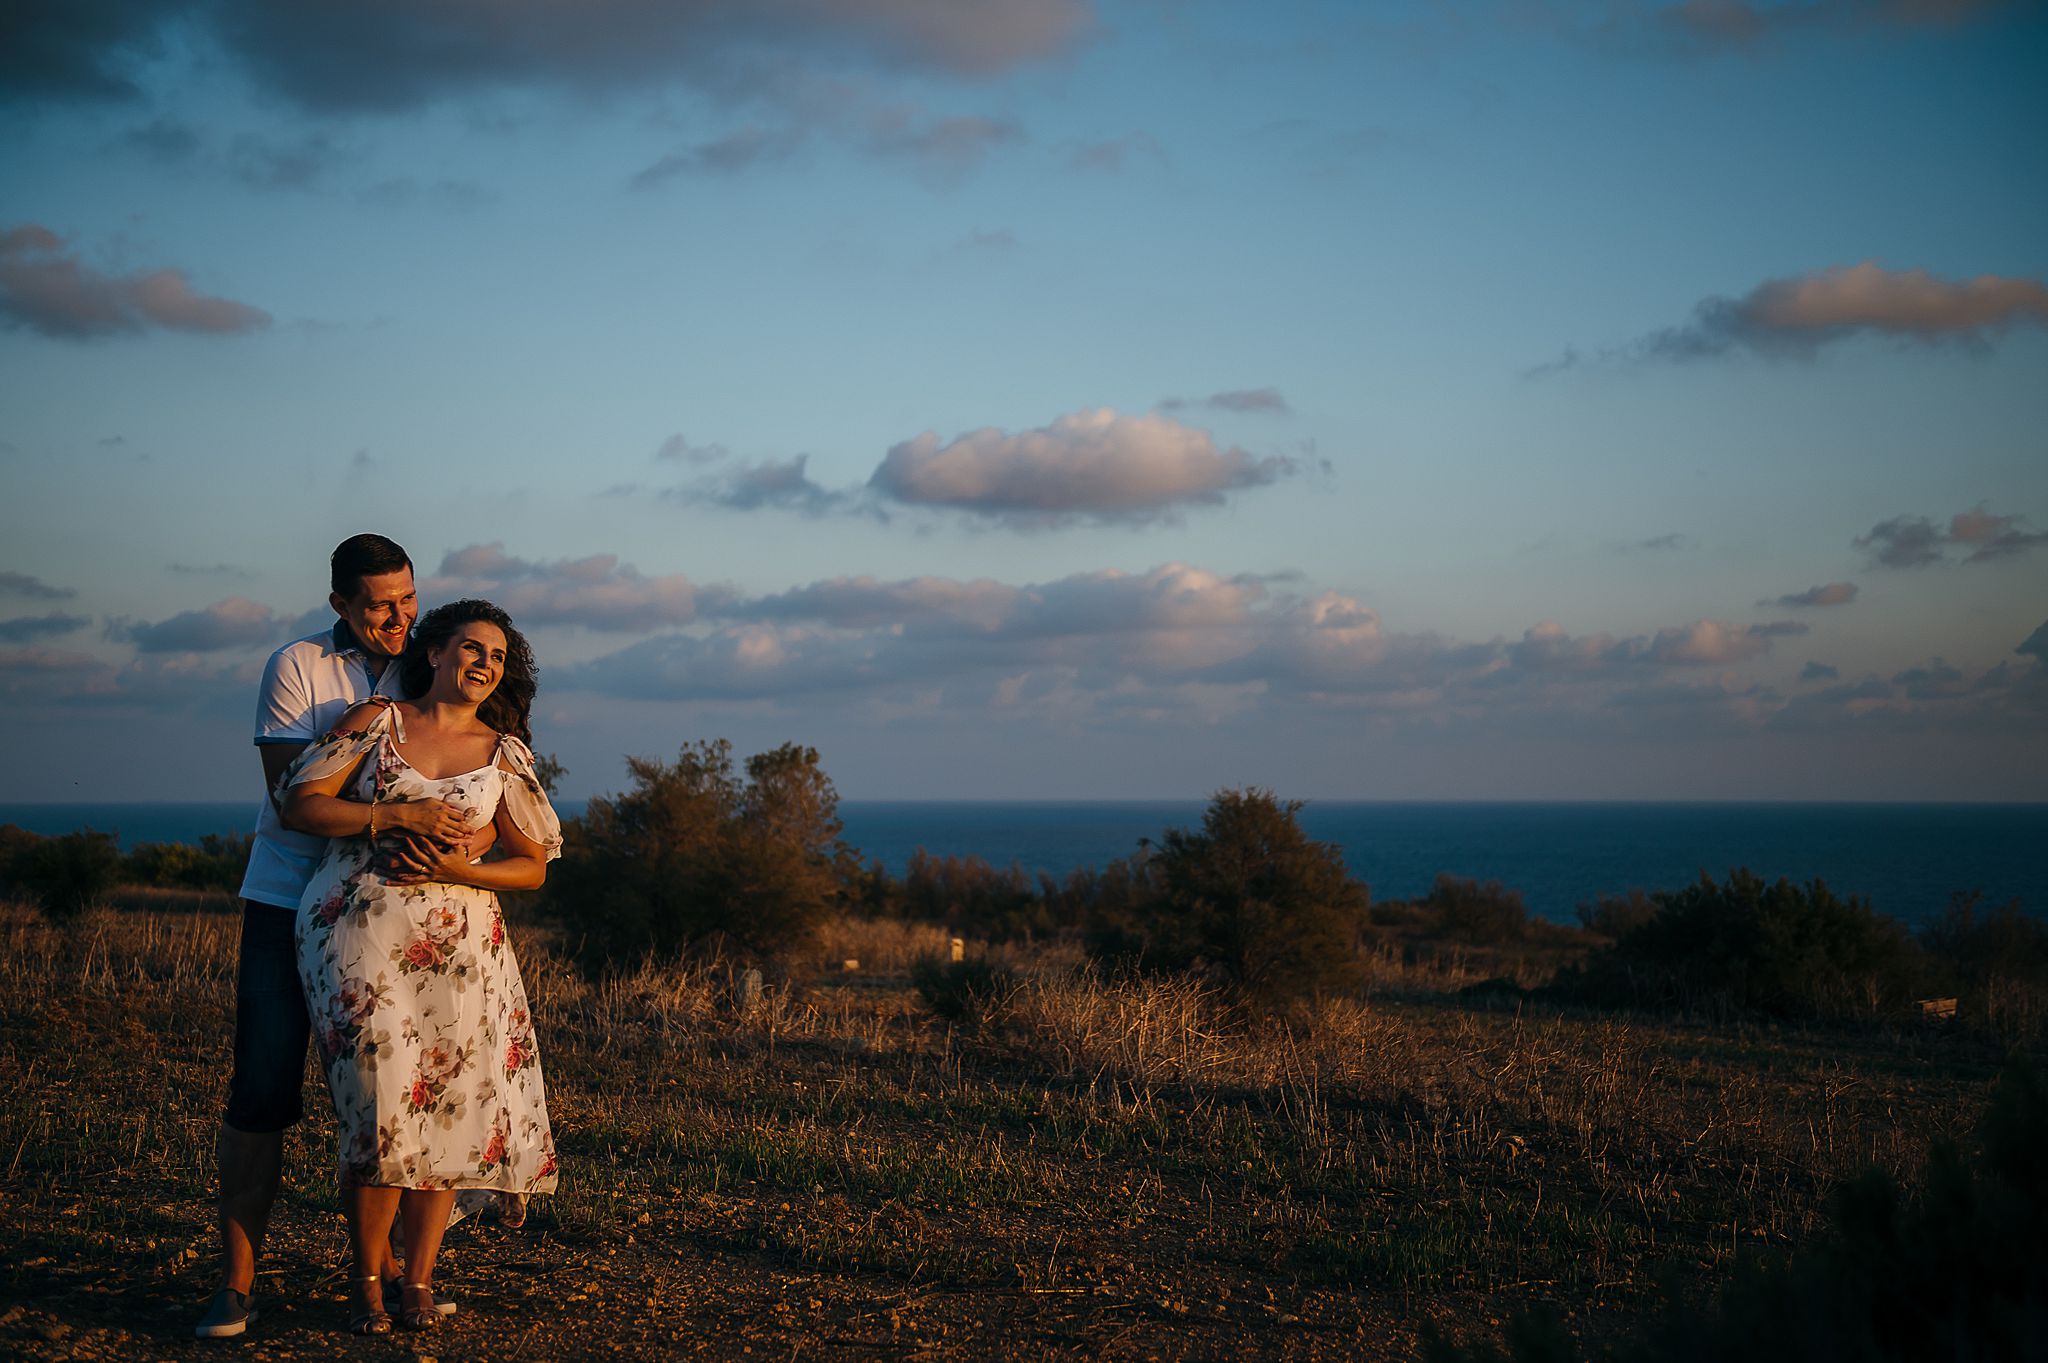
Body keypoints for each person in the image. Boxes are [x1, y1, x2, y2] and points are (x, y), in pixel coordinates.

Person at [280, 598, 562, 1334]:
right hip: (359, 933)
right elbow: (301, 803)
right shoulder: (376, 721)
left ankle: (419, 1279)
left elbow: (532, 866)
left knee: (446, 1113)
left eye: (497, 657)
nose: (484, 664)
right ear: (434, 652)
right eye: (472, 648)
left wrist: (464, 868)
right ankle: (366, 1278)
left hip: (464, 955)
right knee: (380, 1112)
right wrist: (395, 816)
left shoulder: (504, 753)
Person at [198, 533, 427, 1340]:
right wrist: (399, 802)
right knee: (261, 1091)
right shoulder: (297, 665)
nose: (399, 618)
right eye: (378, 605)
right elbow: (294, 794)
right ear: (339, 604)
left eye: (408, 598)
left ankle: (388, 1275)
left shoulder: (428, 661)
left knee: (381, 1102)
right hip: (284, 897)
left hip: (382, 912)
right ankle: (236, 1283)